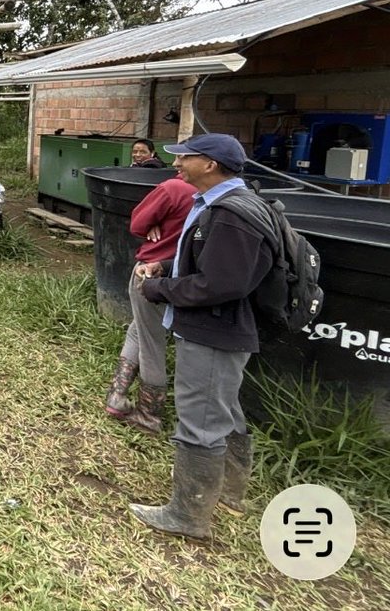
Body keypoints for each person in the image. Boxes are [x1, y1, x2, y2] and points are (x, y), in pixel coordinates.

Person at [130, 133, 271, 540]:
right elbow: (210, 260)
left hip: (214, 329)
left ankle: (188, 516)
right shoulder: (226, 204)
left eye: (185, 158)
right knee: (223, 408)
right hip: (225, 329)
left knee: (201, 419)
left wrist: (160, 289)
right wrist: (166, 265)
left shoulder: (231, 215)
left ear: (210, 165)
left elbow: (220, 284)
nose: (176, 164)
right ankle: (229, 493)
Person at [104, 174, 196, 433]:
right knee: (140, 329)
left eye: (184, 158)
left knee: (150, 341)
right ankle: (117, 397)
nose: (177, 163)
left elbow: (137, 222)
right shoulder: (215, 198)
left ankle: (148, 415)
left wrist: (152, 225)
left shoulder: (174, 188)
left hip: (153, 271)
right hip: (187, 276)